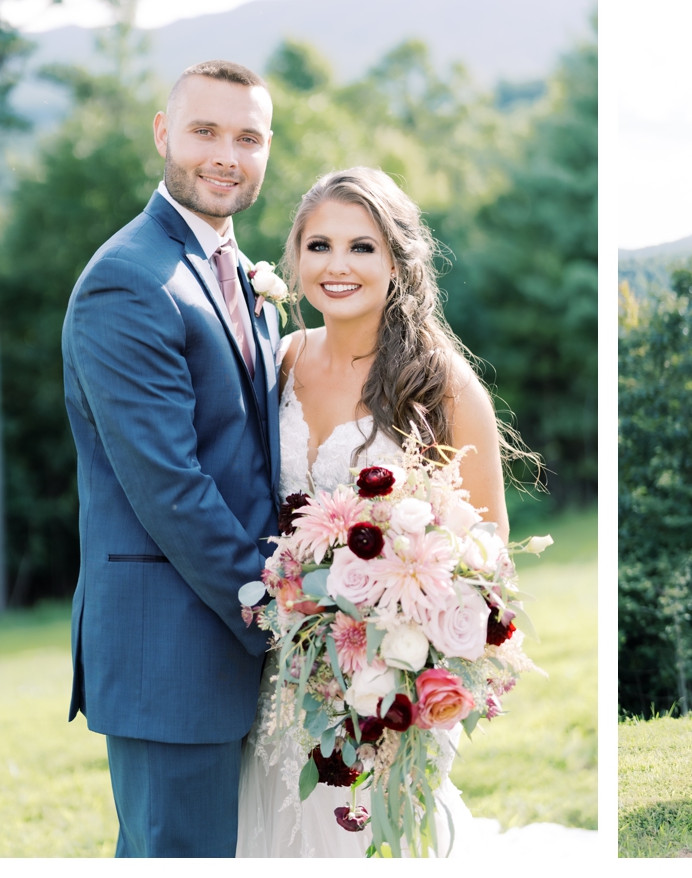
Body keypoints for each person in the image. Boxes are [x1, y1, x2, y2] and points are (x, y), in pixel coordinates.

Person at [235, 167, 592, 857]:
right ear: (295, 258)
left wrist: (403, 644)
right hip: (278, 668)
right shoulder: (278, 362)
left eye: (361, 247)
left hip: (387, 678)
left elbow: (487, 553)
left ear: (397, 259)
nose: (337, 265)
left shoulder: (440, 382)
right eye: (319, 246)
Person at [62, 60, 281, 856]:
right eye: (206, 131)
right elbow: (172, 487)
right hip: (174, 649)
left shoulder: (237, 274)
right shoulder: (128, 281)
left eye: (248, 137)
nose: (228, 153)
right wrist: (281, 611)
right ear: (164, 133)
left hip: (234, 637)